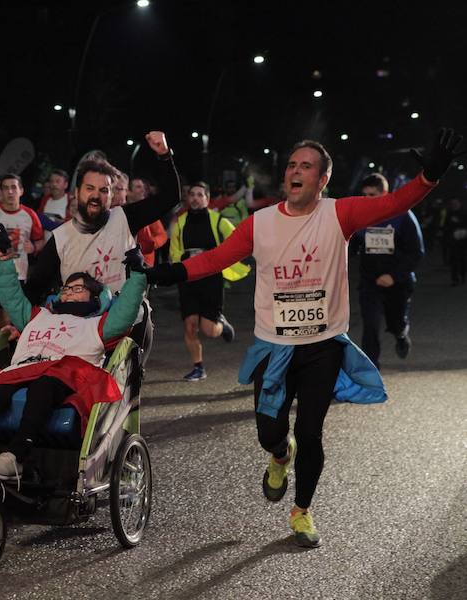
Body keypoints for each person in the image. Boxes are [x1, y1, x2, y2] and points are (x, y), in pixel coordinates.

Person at [143, 129, 464, 547]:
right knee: (268, 432)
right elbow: (218, 259)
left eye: (306, 166)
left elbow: (392, 204)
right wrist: (169, 273)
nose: (295, 171)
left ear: (322, 180)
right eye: (292, 165)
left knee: (311, 432)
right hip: (273, 346)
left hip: (323, 346)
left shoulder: (339, 215)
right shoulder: (261, 223)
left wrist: (428, 177)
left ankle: (302, 511)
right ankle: (280, 455)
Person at [0, 243, 147, 480]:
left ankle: (16, 457)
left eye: (77, 288)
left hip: (69, 374)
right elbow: (11, 295)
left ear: (94, 296)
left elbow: (125, 313)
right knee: (1, 384)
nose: (68, 292)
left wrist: (137, 276)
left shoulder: (99, 323)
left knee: (44, 385)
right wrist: (0, 262)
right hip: (29, 369)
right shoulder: (38, 315)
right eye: (66, 288)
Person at [23, 131, 182, 363]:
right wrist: (19, 326)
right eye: (90, 188)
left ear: (111, 195)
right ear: (76, 193)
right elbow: (35, 288)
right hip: (77, 330)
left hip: (124, 324)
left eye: (104, 190)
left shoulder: (126, 218)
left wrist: (164, 155)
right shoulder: (60, 238)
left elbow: (170, 197)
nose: (96, 196)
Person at [169, 181, 249, 381]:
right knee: (190, 324)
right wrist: (179, 265)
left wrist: (220, 258)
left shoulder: (218, 219)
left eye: (200, 195)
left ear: (207, 198)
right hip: (188, 277)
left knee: (210, 331)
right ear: (188, 198)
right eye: (192, 194)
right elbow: (174, 250)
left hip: (211, 278)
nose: (195, 198)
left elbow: (237, 239)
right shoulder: (180, 221)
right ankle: (198, 367)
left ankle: (221, 323)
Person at [350, 173, 424, 368]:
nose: (367, 200)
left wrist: (394, 275)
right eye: (364, 195)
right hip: (370, 283)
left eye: (372, 195)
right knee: (370, 325)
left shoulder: (403, 216)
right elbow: (353, 245)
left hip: (398, 283)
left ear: (385, 193)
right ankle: (370, 368)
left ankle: (401, 335)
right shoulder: (361, 217)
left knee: (396, 323)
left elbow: (417, 252)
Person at [0, 173, 44, 283]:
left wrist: (34, 247)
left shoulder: (30, 214)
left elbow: (40, 241)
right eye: (6, 188)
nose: (10, 192)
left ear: (21, 190)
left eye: (14, 187)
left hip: (19, 275)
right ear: (1, 192)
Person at [443, 197, 467, 285]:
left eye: (456, 203)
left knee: (463, 259)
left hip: (463, 241)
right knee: (453, 260)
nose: (454, 205)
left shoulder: (464, 213)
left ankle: (463, 276)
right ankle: (455, 279)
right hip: (453, 240)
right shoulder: (449, 213)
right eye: (452, 204)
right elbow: (446, 226)